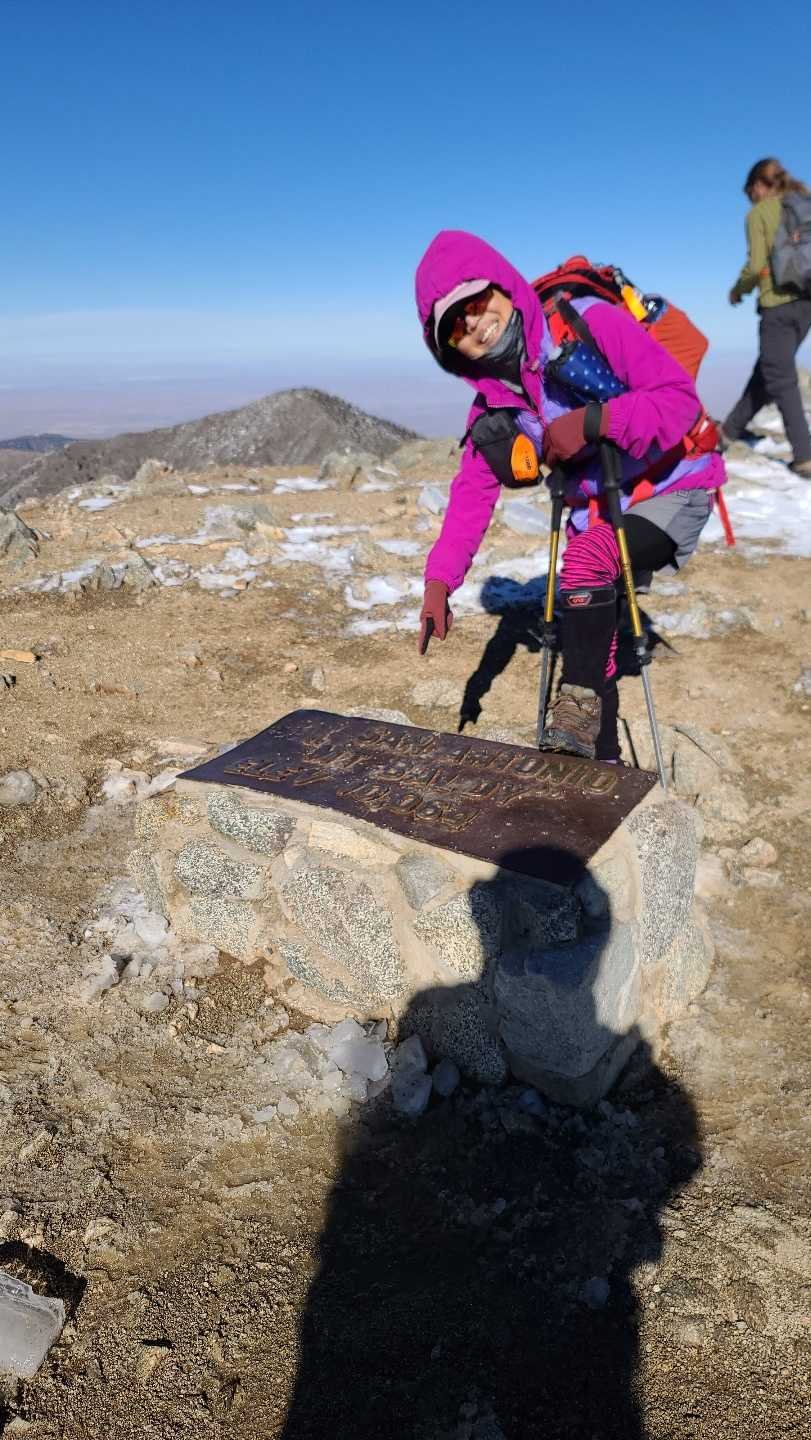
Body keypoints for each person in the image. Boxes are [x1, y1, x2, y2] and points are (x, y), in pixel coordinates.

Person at [414, 230, 727, 761]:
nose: (472, 321)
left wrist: (597, 420)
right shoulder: (494, 407)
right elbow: (472, 493)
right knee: (590, 637)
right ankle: (598, 767)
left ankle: (581, 726)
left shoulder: (588, 324)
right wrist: (439, 580)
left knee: (586, 565)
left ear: (503, 286)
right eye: (454, 325)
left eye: (475, 300)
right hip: (600, 512)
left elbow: (676, 402)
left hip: (672, 484)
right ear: (450, 351)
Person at [722, 158, 811, 477]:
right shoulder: (801, 204)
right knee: (769, 370)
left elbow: (756, 265)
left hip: (778, 306)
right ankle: (729, 432)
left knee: (780, 377)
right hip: (805, 305)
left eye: (751, 193)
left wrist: (737, 291)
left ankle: (804, 454)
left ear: (759, 186)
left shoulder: (760, 213)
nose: (752, 199)